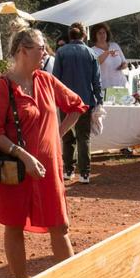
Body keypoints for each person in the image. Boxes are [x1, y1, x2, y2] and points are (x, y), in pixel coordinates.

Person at [0, 29, 87, 278]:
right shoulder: (1, 87)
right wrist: (25, 156)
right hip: (15, 168)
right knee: (14, 224)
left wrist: (56, 135)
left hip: (49, 169)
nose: (46, 53)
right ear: (22, 50)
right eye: (41, 48)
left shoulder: (47, 81)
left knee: (60, 226)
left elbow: (77, 106)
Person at [51, 22, 104, 185]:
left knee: (67, 136)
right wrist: (99, 99)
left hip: (65, 100)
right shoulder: (90, 53)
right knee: (84, 137)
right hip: (84, 101)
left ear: (70, 34)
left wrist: (55, 99)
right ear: (85, 35)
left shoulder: (61, 52)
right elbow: (96, 80)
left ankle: (68, 170)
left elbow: (55, 78)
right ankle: (85, 173)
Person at [90, 23, 127, 92]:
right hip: (105, 88)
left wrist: (123, 66)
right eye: (99, 33)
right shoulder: (92, 50)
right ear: (94, 35)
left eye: (104, 32)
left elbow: (125, 63)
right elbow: (96, 63)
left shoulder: (115, 45)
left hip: (121, 85)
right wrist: (107, 53)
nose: (102, 35)